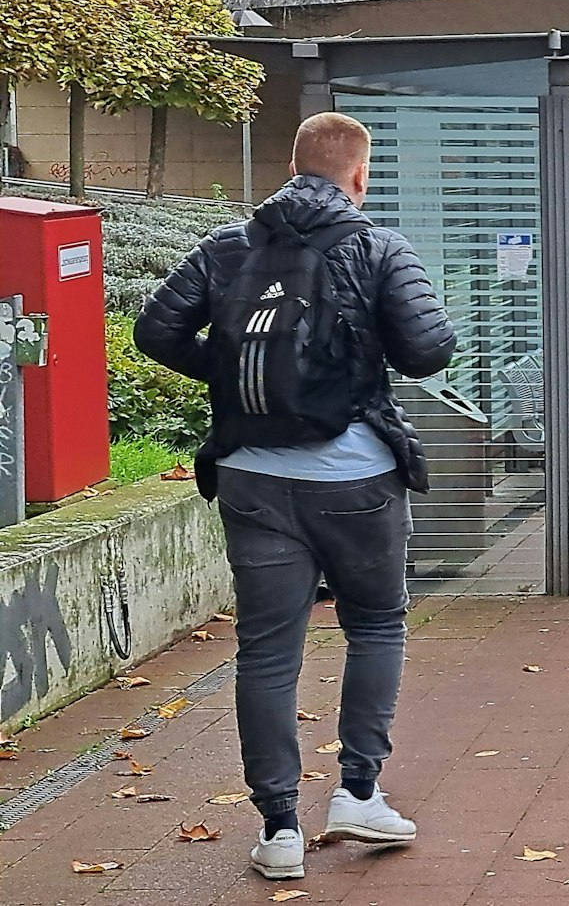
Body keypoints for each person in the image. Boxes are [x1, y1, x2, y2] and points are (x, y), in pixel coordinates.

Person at [134, 112, 456, 882]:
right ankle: (358, 792)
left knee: (267, 651)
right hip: (358, 480)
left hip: (252, 479)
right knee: (375, 624)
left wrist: (235, 373)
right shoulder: (378, 247)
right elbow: (428, 348)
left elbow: (155, 331)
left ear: (290, 165)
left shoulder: (226, 246)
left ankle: (278, 828)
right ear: (359, 175)